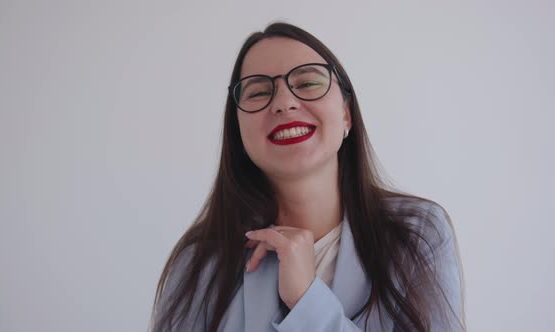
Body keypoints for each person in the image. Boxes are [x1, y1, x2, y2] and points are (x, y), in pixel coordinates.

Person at [150, 22, 465, 332]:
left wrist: (306, 300)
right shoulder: (200, 260)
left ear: (346, 114)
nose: (284, 103)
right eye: (259, 92)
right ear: (238, 131)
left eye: (307, 84)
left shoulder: (417, 234)